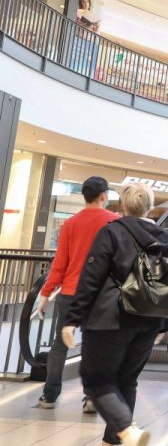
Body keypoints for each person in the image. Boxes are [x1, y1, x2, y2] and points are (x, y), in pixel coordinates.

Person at [61, 183, 168, 446]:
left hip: (110, 318)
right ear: (150, 206)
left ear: (123, 205)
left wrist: (72, 318)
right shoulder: (163, 237)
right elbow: (166, 282)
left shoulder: (112, 232)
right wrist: (162, 324)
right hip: (147, 319)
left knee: (96, 380)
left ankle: (128, 432)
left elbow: (91, 277)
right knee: (126, 381)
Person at [35, 176, 119, 413]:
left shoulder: (70, 224)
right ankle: (91, 398)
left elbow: (60, 263)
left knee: (60, 344)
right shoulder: (115, 222)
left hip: (70, 292)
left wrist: (46, 293)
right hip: (100, 295)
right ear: (103, 195)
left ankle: (49, 395)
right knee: (95, 346)